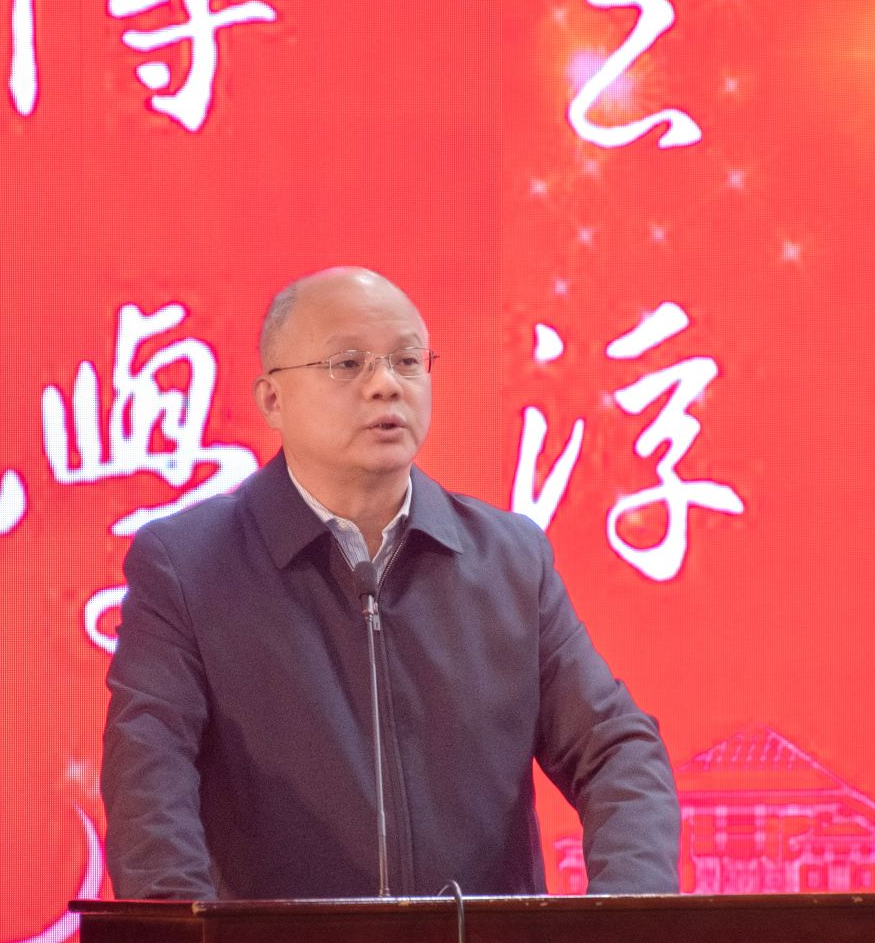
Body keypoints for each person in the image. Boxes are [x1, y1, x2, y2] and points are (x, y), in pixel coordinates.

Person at [101, 267, 678, 900]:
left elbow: (615, 748)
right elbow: (149, 791)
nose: (385, 385)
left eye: (407, 361)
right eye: (347, 364)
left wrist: (625, 920)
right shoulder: (187, 566)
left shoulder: (510, 559)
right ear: (272, 400)